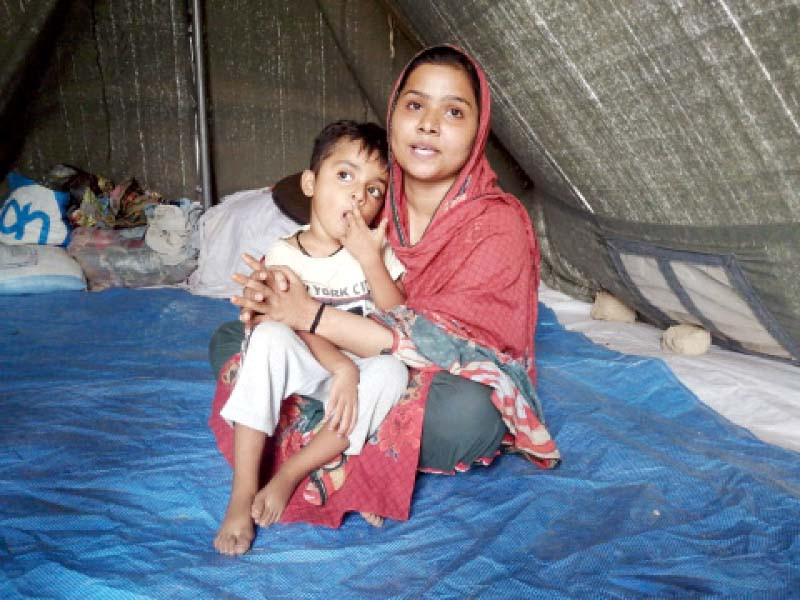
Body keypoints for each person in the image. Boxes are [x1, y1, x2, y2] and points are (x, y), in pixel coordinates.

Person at [212, 44, 560, 529]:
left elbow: (459, 346)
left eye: (453, 111)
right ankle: (341, 433)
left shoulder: (495, 223)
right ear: (394, 113)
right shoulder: (371, 197)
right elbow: (311, 266)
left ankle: (301, 425)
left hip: (424, 376)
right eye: (415, 105)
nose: (429, 124)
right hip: (336, 355)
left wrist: (305, 314)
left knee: (471, 417)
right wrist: (268, 301)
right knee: (233, 338)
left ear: (477, 131)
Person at [213, 120, 409, 555]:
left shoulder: (375, 252)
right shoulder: (285, 254)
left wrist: (369, 259)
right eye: (345, 176)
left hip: (358, 371)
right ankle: (242, 492)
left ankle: (290, 473)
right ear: (310, 183)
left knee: (393, 371)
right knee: (267, 338)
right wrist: (339, 367)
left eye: (374, 189)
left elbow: (398, 321)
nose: (359, 195)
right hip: (310, 365)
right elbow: (293, 324)